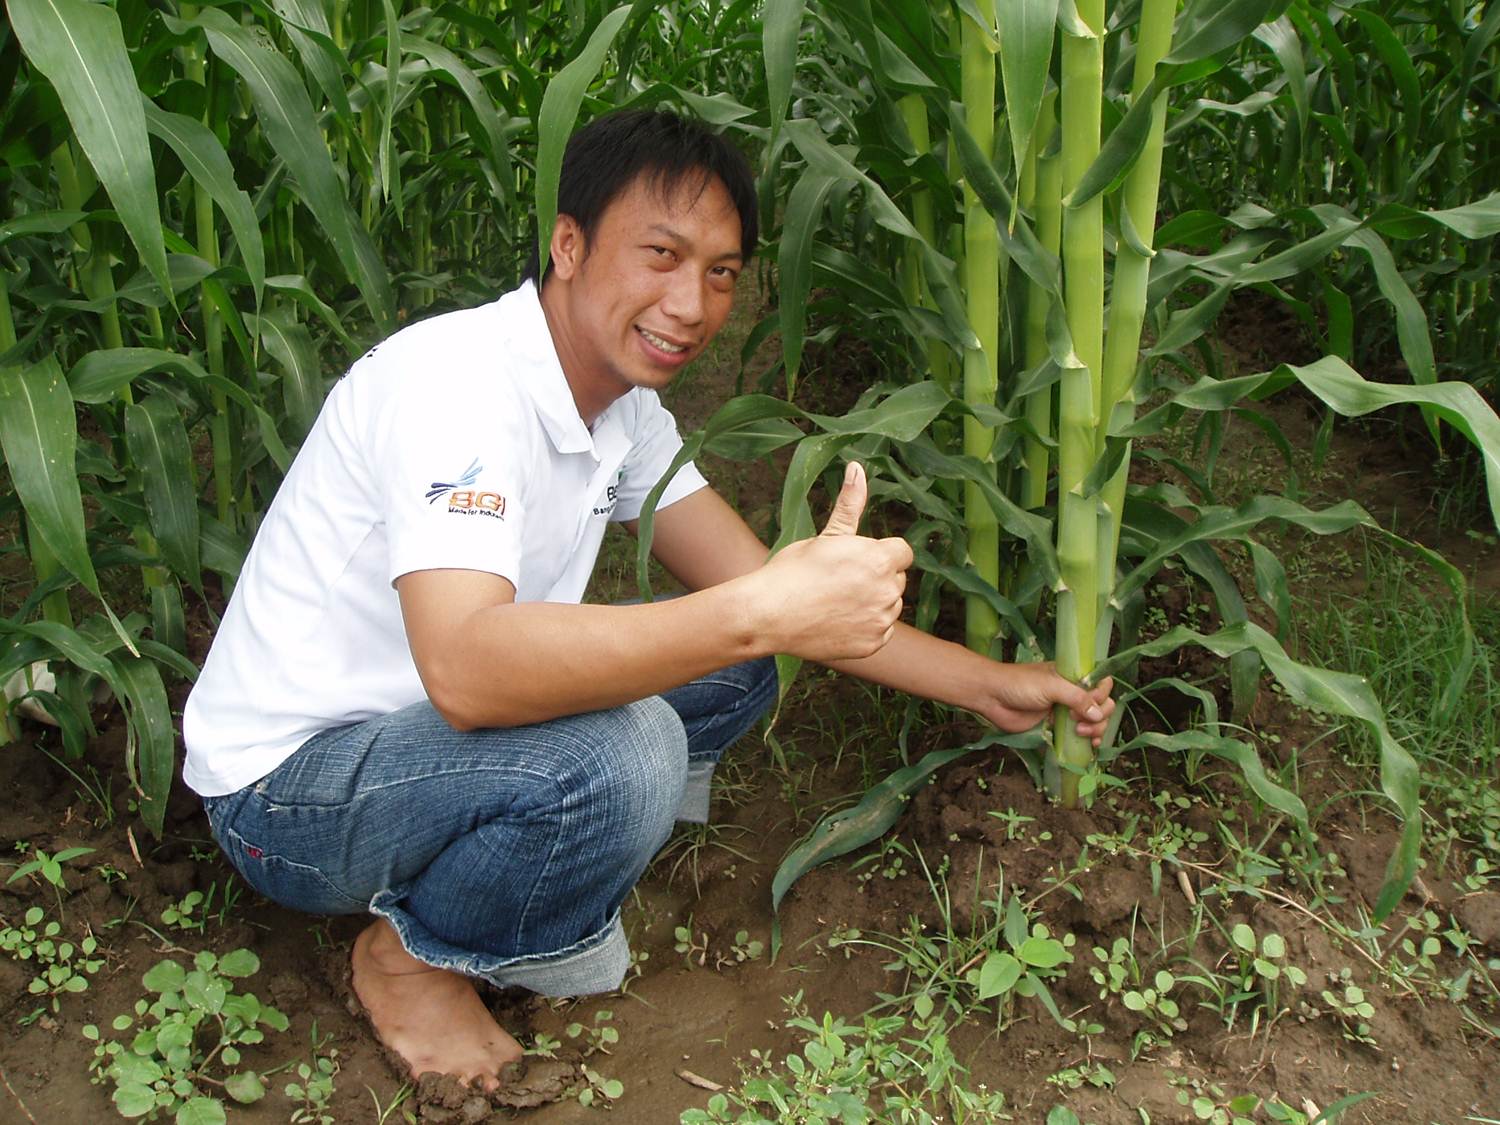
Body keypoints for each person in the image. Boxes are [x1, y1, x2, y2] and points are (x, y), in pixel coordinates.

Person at [182, 109, 1115, 1092]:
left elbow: (757, 591)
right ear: (570, 244)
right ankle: (411, 960)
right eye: (661, 255)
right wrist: (763, 612)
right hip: (288, 793)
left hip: (421, 746)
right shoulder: (455, 388)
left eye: (721, 272)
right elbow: (462, 673)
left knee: (741, 645)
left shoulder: (623, 409)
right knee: (629, 752)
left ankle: (563, 841)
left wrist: (989, 687)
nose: (692, 302)